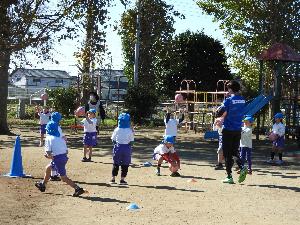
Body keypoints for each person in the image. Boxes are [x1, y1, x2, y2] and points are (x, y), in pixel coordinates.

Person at [35, 112, 85, 197]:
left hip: (58, 158)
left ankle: (78, 188)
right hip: (63, 157)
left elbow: (49, 154)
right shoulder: (60, 137)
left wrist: (47, 156)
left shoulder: (48, 138)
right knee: (48, 168)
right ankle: (43, 185)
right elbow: (66, 151)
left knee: (63, 178)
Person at [218, 80, 247, 184]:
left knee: (227, 154)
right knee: (235, 151)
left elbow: (219, 111)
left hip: (228, 129)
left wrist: (225, 100)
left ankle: (229, 176)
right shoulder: (243, 100)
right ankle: (242, 166)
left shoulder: (228, 100)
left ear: (230, 89)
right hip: (237, 129)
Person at [110, 113, 134, 185]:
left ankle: (113, 179)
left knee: (116, 163)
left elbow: (113, 139)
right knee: (125, 164)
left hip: (118, 147)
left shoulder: (117, 129)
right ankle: (122, 180)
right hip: (127, 148)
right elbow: (132, 141)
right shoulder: (130, 130)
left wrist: (117, 144)